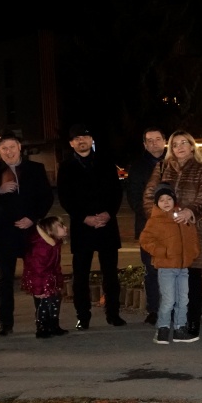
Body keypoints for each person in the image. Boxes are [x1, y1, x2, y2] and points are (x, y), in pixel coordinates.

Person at [0, 129, 54, 337]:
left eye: (12, 147)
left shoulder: (35, 168)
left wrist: (33, 218)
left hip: (30, 231)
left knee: (38, 276)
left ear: (20, 147)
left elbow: (46, 197)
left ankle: (43, 323)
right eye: (4, 148)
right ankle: (5, 324)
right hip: (4, 234)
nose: (9, 152)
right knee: (4, 280)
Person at [144, 130, 202, 337]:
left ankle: (190, 324)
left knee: (192, 280)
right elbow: (149, 195)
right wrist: (158, 218)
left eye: (184, 143)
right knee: (168, 281)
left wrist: (190, 211)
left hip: (192, 231)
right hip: (167, 234)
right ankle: (169, 324)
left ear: (192, 146)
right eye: (175, 144)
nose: (180, 147)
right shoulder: (162, 168)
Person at [57, 124, 126, 330]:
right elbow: (65, 198)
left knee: (111, 274)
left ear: (91, 140)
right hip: (82, 227)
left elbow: (117, 192)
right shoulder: (66, 167)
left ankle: (113, 314)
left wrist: (108, 213)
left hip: (107, 225)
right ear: (71, 143)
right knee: (80, 275)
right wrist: (84, 217)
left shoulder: (105, 162)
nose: (81, 141)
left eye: (85, 137)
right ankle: (83, 316)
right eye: (76, 138)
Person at [139, 183, 200, 344]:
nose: (166, 202)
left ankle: (180, 327)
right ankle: (163, 328)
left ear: (174, 200)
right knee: (168, 299)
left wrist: (193, 252)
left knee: (183, 299)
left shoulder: (181, 217)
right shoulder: (155, 221)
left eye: (169, 199)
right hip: (166, 268)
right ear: (156, 203)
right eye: (161, 200)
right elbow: (145, 240)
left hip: (183, 267)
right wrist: (162, 252)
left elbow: (192, 235)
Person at [126, 127, 168, 326]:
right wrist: (152, 216)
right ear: (144, 145)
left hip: (173, 225)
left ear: (164, 141)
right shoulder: (137, 167)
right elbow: (134, 197)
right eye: (149, 141)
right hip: (148, 226)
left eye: (157, 139)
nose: (154, 143)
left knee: (174, 267)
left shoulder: (174, 162)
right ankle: (154, 309)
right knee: (151, 269)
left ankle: (173, 308)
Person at [20, 216, 69, 339]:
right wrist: (38, 289)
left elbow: (56, 265)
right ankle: (42, 327)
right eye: (61, 226)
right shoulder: (41, 247)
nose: (65, 228)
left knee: (55, 300)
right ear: (51, 230)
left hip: (50, 277)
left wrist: (58, 280)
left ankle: (54, 324)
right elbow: (37, 269)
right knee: (44, 303)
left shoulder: (55, 243)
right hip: (41, 279)